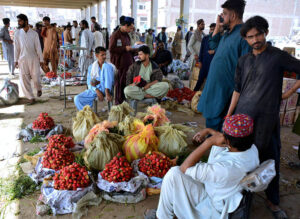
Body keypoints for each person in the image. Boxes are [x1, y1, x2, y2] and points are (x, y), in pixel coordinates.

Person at [226, 16, 300, 219]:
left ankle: (272, 201)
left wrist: (287, 94)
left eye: (258, 34)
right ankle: (240, 199)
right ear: (246, 40)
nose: (255, 39)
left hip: (267, 118)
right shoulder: (244, 60)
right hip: (243, 118)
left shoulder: (278, 56)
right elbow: (237, 90)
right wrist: (229, 114)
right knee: (241, 158)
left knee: (271, 158)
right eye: (250, 37)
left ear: (266, 32)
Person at [144, 114, 259, 219]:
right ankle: (164, 212)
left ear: (228, 142)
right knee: (216, 149)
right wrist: (208, 130)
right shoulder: (251, 149)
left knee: (173, 174)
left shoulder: (225, 169)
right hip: (226, 191)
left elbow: (185, 168)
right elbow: (225, 140)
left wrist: (208, 142)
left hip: (212, 204)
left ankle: (161, 216)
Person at [197, 0, 251, 131]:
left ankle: (217, 149)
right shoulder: (227, 33)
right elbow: (212, 45)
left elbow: (247, 69)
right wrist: (217, 27)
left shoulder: (244, 36)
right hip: (214, 86)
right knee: (211, 123)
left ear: (232, 16)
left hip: (225, 90)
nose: (221, 16)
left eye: (224, 14)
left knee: (220, 127)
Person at [14, 14, 43, 104]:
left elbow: (38, 47)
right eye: (18, 21)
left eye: (20, 21)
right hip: (22, 59)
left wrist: (41, 59)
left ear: (26, 21)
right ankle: (30, 97)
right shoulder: (17, 33)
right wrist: (15, 60)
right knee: (24, 78)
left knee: (36, 76)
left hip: (33, 58)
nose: (18, 22)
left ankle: (38, 88)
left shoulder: (34, 33)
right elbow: (16, 48)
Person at [109, 16, 135, 104]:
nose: (131, 30)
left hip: (128, 64)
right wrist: (124, 48)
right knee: (119, 84)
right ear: (125, 26)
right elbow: (111, 49)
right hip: (120, 64)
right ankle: (118, 103)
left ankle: (124, 101)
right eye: (130, 28)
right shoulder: (115, 35)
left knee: (126, 82)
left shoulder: (127, 35)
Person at [194, 23, 216, 91]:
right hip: (204, 63)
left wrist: (215, 51)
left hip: (213, 65)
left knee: (210, 81)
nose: (211, 31)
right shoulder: (205, 38)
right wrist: (200, 61)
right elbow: (201, 51)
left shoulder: (219, 40)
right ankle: (194, 93)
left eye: (213, 29)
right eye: (210, 29)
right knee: (200, 79)